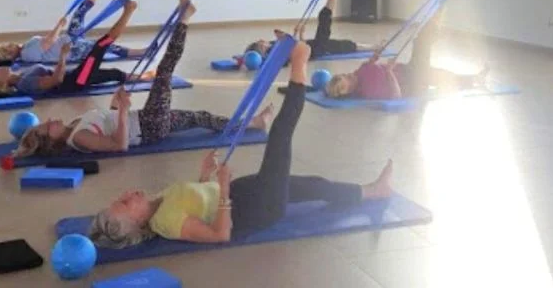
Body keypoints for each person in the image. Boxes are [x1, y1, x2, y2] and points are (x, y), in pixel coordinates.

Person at [87, 40, 394, 248]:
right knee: (280, 136)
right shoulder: (166, 222)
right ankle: (300, 64)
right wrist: (221, 188)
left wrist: (205, 176)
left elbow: (197, 203)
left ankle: (371, 192)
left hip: (240, 193)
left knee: (311, 185)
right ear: (137, 222)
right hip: (256, 208)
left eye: (122, 197)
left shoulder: (158, 202)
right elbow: (221, 234)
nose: (129, 194)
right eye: (127, 203)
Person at [11, 0, 273, 158]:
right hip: (149, 126)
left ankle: (252, 124)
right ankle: (185, 18)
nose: (48, 121)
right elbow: (119, 145)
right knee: (165, 70)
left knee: (199, 116)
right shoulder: (79, 139)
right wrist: (124, 110)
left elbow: (109, 126)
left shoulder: (73, 126)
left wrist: (116, 106)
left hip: (145, 118)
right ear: (51, 141)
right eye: (47, 128)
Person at [325, 0, 489, 100]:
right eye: (343, 86)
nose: (346, 77)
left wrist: (376, 55)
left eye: (341, 77)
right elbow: (397, 96)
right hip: (413, 83)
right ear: (348, 92)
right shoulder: (368, 90)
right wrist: (389, 72)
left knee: (439, 73)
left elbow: (372, 63)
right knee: (423, 42)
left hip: (409, 71)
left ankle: (475, 79)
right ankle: (443, 1)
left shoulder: (359, 72)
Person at [0, 0, 148, 97]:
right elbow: (57, 80)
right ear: (2, 84)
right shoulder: (25, 84)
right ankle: (128, 10)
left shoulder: (21, 76)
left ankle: (146, 78)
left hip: (78, 77)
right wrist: (63, 56)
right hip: (77, 79)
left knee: (115, 74)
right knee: (102, 44)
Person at [0, 0, 146, 63]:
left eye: (7, 45)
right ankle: (138, 53)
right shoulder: (27, 55)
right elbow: (49, 42)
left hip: (70, 39)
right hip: (72, 49)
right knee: (102, 45)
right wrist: (59, 26)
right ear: (11, 55)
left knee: (79, 13)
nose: (10, 45)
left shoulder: (26, 46)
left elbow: (48, 41)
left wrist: (61, 29)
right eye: (8, 48)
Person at [244, 0, 375, 60]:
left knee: (345, 45)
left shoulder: (273, 45)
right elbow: (300, 51)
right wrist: (301, 35)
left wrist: (296, 34)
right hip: (316, 49)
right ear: (261, 49)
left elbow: (294, 45)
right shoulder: (275, 54)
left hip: (315, 45)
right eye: (260, 43)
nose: (262, 40)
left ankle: (374, 47)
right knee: (325, 16)